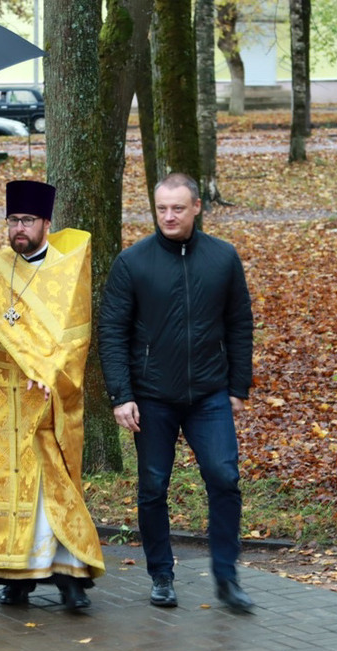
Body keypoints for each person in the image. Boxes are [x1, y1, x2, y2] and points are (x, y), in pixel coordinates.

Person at [0, 180, 105, 611]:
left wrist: (48, 372)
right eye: (12, 220)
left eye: (27, 221)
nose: (18, 229)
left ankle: (69, 577)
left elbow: (76, 338)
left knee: (52, 489)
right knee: (0, 490)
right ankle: (12, 577)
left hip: (46, 394)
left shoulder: (67, 270)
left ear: (46, 223)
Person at [97, 172, 255, 612]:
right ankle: (161, 575)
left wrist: (238, 385)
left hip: (209, 393)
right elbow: (112, 331)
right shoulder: (133, 262)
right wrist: (121, 394)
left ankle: (227, 576)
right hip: (151, 395)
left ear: (197, 208)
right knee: (153, 486)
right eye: (162, 208)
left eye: (178, 208)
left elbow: (240, 323)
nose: (169, 216)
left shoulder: (223, 258)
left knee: (224, 478)